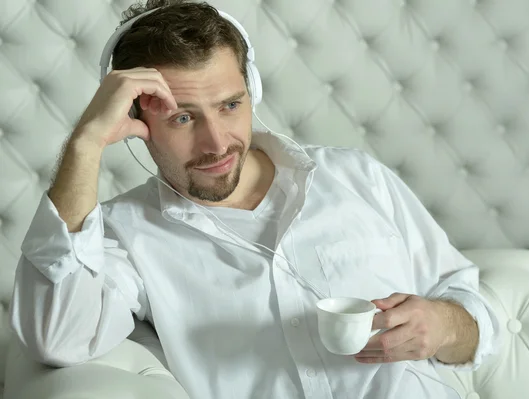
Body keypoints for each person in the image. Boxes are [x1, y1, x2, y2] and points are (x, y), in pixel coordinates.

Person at [9, 1, 500, 398]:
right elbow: (57, 334)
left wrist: (442, 325)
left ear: (253, 90)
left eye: (229, 105)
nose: (217, 143)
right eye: (182, 118)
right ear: (137, 121)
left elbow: (474, 310)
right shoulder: (124, 234)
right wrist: (85, 143)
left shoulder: (356, 177)